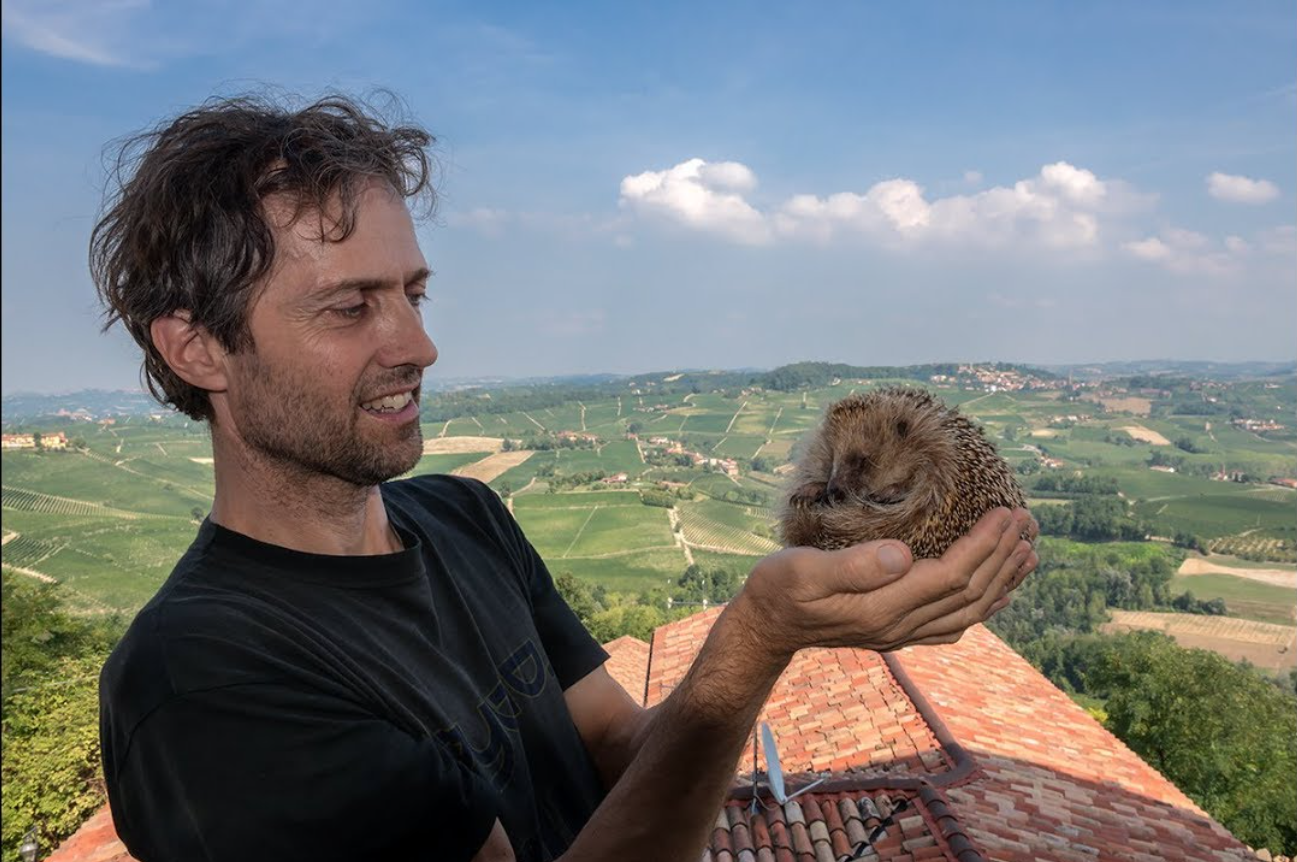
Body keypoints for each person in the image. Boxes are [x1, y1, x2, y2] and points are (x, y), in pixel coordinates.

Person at [93, 92, 1039, 862]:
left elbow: (623, 752)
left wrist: (776, 637)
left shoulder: (462, 517)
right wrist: (755, 636)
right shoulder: (206, 687)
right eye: (350, 308)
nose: (419, 346)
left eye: (412, 295)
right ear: (198, 348)